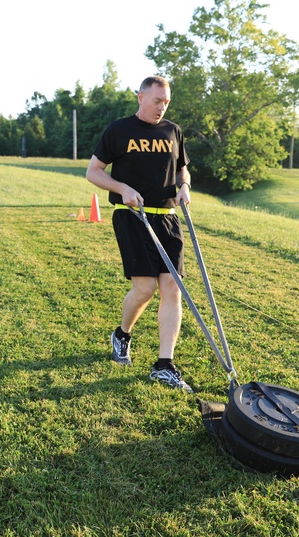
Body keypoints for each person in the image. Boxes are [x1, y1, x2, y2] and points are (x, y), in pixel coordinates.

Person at [86, 75, 193, 392]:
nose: (162, 107)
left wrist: (184, 185)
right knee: (145, 289)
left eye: (167, 102)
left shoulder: (173, 131)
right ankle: (122, 334)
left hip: (168, 217)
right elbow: (93, 171)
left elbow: (181, 168)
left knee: (172, 287)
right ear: (141, 97)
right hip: (132, 216)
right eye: (157, 100)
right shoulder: (119, 130)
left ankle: (164, 365)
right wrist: (122, 189)